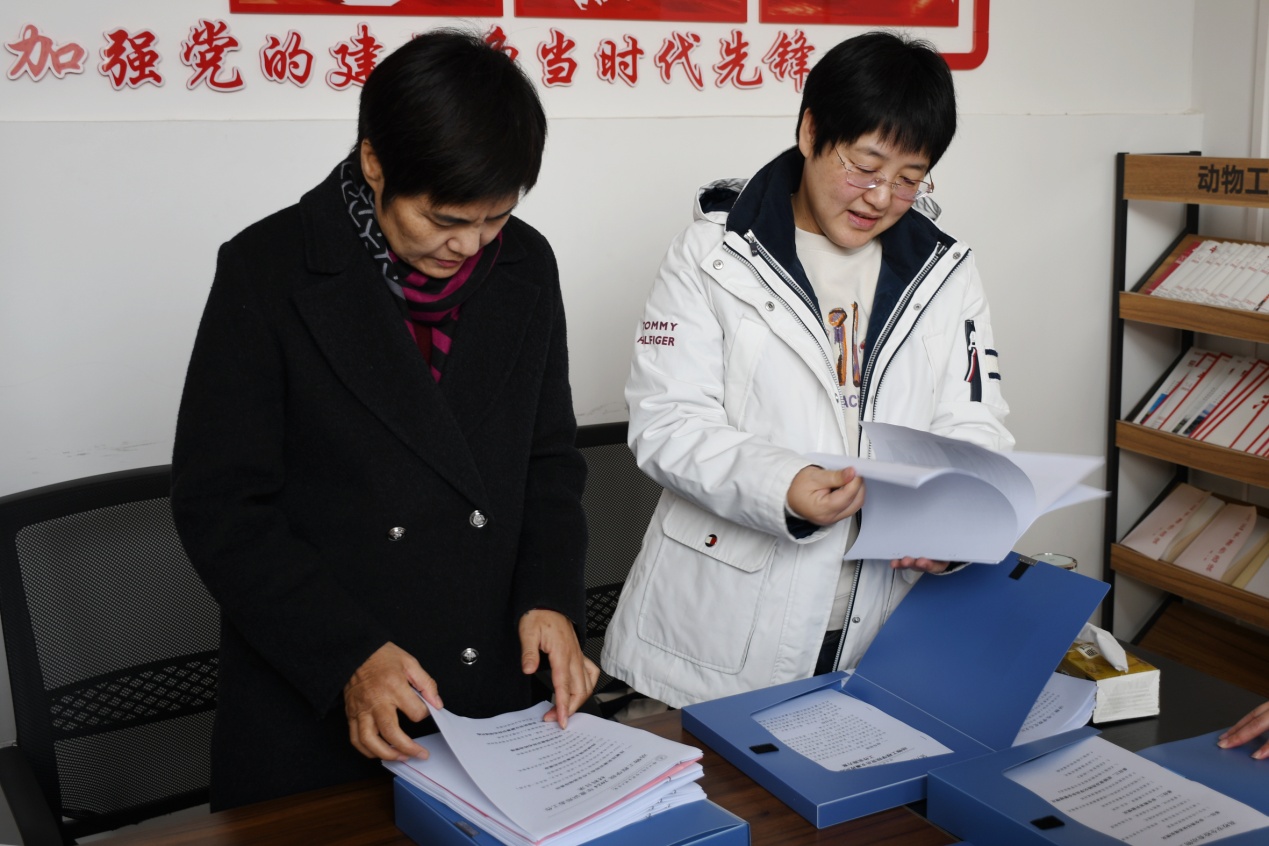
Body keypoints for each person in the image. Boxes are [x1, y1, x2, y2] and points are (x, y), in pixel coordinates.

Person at [171, 29, 597, 809]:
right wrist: (346, 655)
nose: (468, 245)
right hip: (318, 694)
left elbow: (548, 459)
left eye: (495, 218)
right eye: (444, 218)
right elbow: (223, 506)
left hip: (487, 687)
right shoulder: (268, 269)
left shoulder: (525, 264)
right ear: (374, 163)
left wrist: (551, 597)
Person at [601, 31, 1013, 709]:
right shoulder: (712, 255)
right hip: (716, 633)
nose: (879, 197)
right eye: (865, 166)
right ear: (811, 131)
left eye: (908, 179)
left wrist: (955, 522)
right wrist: (781, 484)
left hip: (879, 625)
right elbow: (667, 423)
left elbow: (975, 423)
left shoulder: (945, 272)